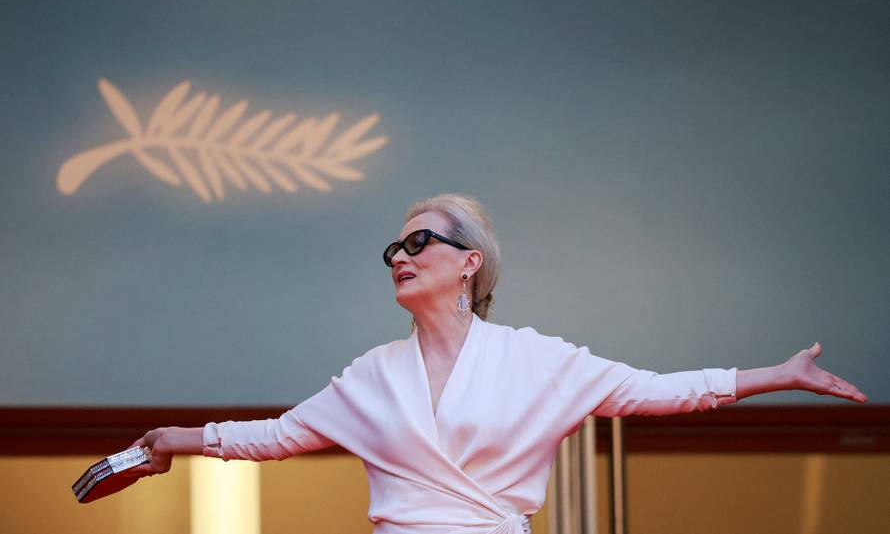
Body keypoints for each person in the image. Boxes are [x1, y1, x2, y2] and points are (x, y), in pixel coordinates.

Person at [129, 193, 867, 534]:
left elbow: (655, 390)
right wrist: (176, 438)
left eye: (419, 243)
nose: (400, 258)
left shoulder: (536, 359)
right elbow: (280, 434)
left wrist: (777, 374)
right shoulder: (372, 374)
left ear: (468, 263)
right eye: (394, 249)